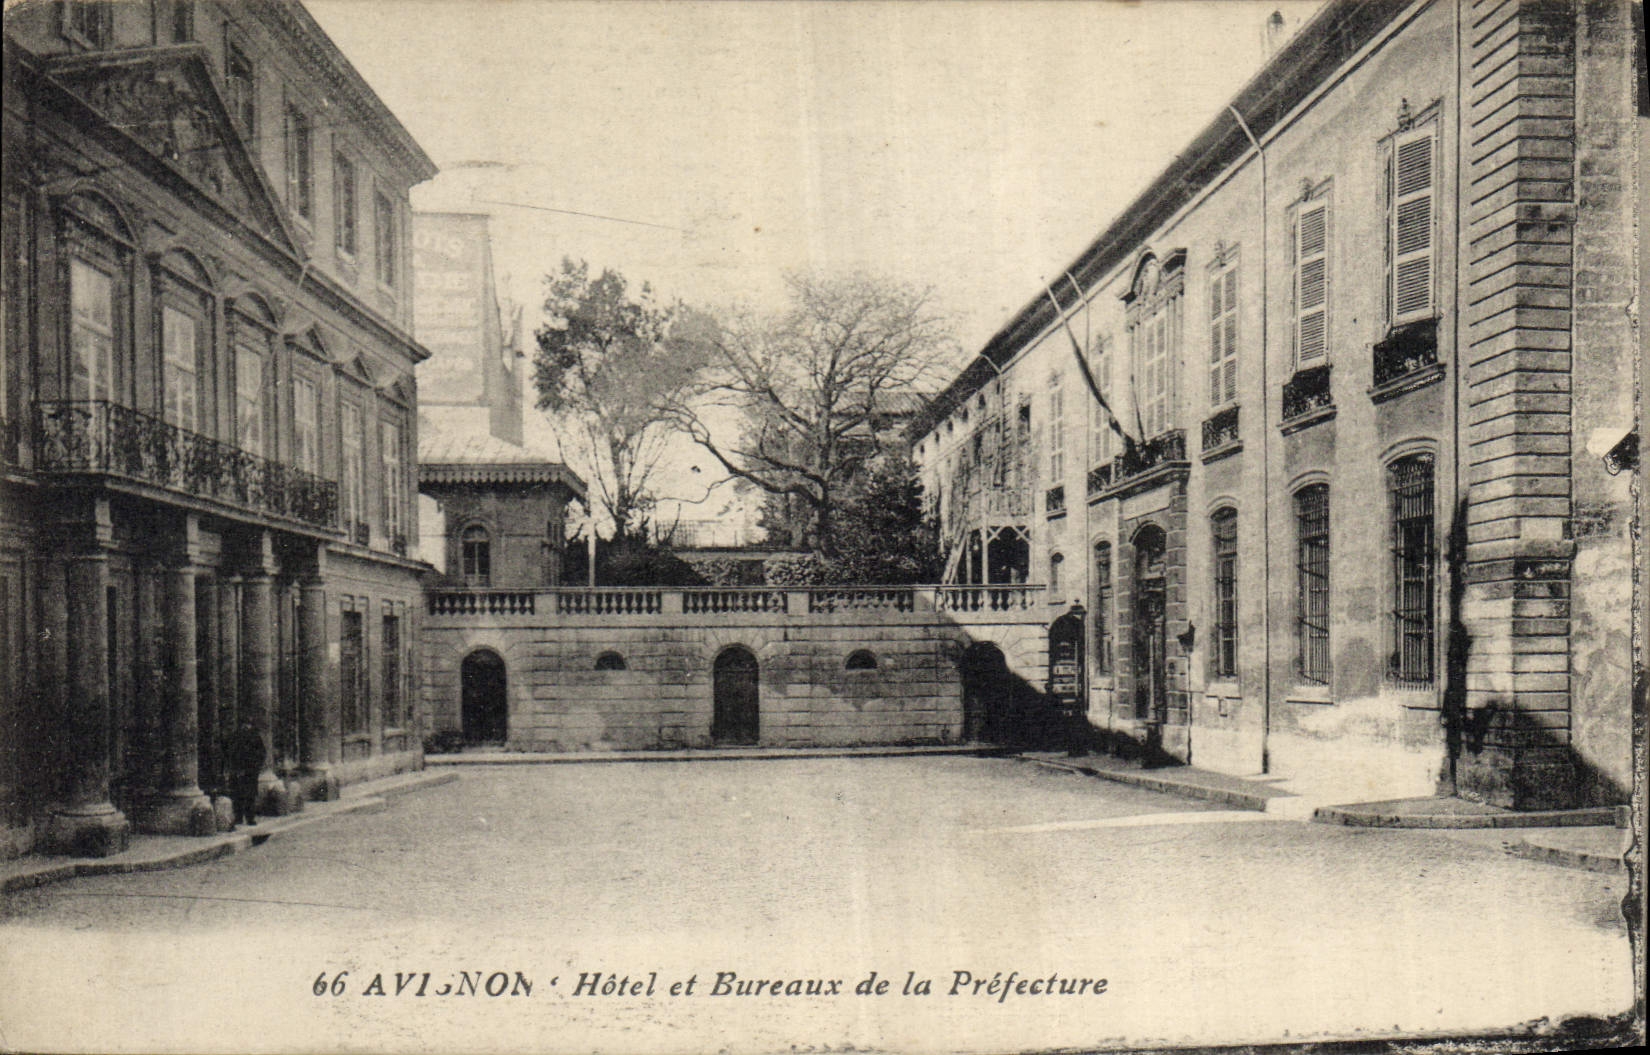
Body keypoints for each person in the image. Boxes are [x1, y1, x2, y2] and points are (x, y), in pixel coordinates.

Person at [227, 717, 266, 828]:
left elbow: (261, 753)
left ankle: (250, 818)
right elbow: (230, 752)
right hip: (238, 770)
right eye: (244, 724)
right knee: (237, 794)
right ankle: (238, 817)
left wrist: (255, 767)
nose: (246, 726)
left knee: (250, 795)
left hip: (251, 771)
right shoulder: (236, 736)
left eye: (248, 724)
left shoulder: (255, 737)